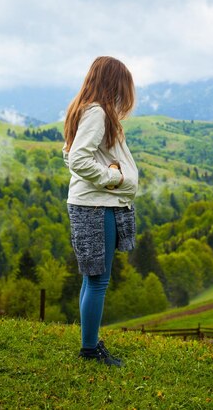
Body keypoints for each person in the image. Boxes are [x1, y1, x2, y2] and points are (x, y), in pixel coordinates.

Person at [62, 56, 138, 366]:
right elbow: (78, 159)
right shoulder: (97, 113)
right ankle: (90, 350)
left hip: (92, 204)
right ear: (113, 84)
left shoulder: (87, 108)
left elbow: (70, 154)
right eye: (122, 88)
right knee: (98, 281)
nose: (123, 96)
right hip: (96, 206)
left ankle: (89, 343)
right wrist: (113, 179)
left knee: (92, 279)